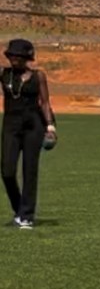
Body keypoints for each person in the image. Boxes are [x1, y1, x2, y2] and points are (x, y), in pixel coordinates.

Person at [3, 38, 56, 228]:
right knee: (7, 171)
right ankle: (19, 208)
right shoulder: (5, 75)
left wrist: (50, 127)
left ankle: (26, 216)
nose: (14, 59)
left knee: (29, 170)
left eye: (18, 56)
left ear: (27, 57)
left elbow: (45, 102)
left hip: (34, 125)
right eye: (12, 55)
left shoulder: (38, 76)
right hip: (11, 125)